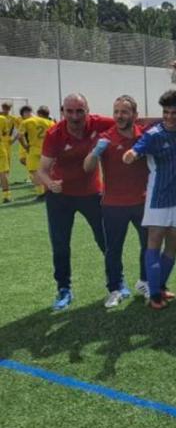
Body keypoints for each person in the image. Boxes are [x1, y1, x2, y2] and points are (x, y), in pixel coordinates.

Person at [37, 93, 114, 310]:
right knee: (60, 245)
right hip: (60, 197)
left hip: (91, 194)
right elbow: (40, 171)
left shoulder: (98, 123)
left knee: (106, 240)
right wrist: (50, 183)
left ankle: (116, 283)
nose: (75, 115)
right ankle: (64, 289)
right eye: (69, 111)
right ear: (62, 112)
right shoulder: (55, 133)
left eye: (79, 110)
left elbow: (132, 120)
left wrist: (173, 120)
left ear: (87, 111)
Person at [123, 90, 176, 310]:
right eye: (165, 113)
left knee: (172, 245)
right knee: (154, 244)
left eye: (175, 113)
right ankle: (154, 294)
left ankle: (161, 286)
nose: (169, 117)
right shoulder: (154, 134)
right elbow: (136, 150)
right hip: (158, 198)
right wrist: (130, 155)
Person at [83, 95, 148, 307]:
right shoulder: (105, 137)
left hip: (142, 202)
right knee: (113, 249)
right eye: (116, 112)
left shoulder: (144, 136)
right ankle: (115, 289)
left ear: (135, 115)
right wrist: (95, 152)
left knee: (148, 245)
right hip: (113, 205)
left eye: (125, 112)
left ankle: (145, 282)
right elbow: (87, 167)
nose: (119, 116)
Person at [18, 105, 55, 199]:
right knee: (48, 171)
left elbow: (19, 136)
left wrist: (25, 146)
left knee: (33, 171)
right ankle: (50, 191)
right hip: (47, 150)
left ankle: (41, 193)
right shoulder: (51, 123)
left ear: (38, 113)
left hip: (34, 150)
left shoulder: (27, 121)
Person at [0, 104, 14, 202]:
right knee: (3, 172)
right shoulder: (2, 119)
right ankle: (6, 196)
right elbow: (5, 132)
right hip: (1, 147)